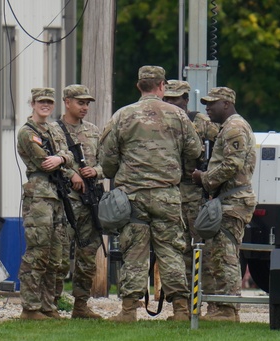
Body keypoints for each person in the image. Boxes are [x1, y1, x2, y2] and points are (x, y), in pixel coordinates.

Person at [100, 66, 202, 322]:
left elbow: (108, 159)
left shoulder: (122, 116)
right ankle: (180, 309)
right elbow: (194, 151)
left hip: (132, 197)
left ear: (139, 86)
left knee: (134, 251)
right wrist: (182, 170)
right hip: (167, 194)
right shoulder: (178, 115)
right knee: (171, 250)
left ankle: (127, 311)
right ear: (162, 86)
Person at [191, 87, 257, 322]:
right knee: (216, 252)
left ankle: (228, 309)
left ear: (227, 104)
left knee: (225, 253)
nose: (207, 108)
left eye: (212, 103)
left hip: (233, 200)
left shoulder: (234, 128)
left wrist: (204, 177)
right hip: (227, 199)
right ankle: (219, 307)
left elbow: (232, 164)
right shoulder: (228, 127)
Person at [16, 88, 73, 320]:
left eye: (49, 102)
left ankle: (48, 306)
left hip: (56, 195)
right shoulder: (27, 132)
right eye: (41, 102)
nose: (45, 106)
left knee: (56, 254)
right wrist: (61, 159)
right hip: (39, 196)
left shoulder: (54, 129)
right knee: (38, 252)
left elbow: (67, 154)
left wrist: (61, 158)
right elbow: (42, 161)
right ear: (32, 103)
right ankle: (30, 307)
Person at [163, 80, 219, 314]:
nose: (172, 104)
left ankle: (212, 302)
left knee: (202, 249)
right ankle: (182, 304)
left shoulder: (200, 121)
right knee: (177, 250)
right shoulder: (160, 121)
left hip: (195, 192)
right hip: (170, 191)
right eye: (167, 99)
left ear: (186, 100)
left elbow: (219, 142)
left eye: (176, 100)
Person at [51, 84, 104, 319]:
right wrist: (69, 173)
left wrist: (96, 171)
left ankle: (81, 305)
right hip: (65, 201)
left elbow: (108, 161)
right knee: (59, 256)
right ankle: (51, 304)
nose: (84, 107)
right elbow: (46, 162)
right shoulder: (54, 130)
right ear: (67, 102)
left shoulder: (93, 131)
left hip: (89, 202)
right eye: (80, 102)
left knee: (87, 255)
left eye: (87, 103)